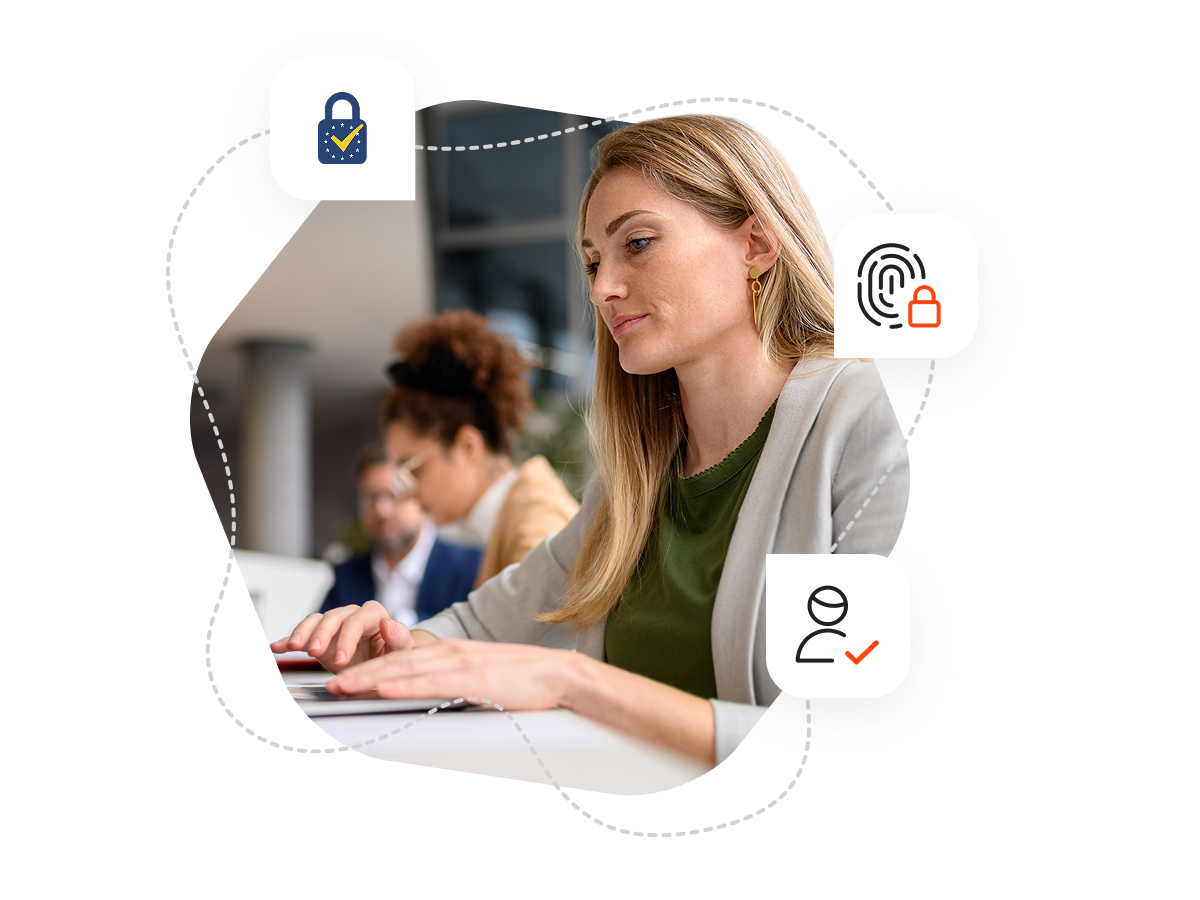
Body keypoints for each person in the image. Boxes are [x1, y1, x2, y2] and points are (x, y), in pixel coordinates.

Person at [272, 113, 910, 767]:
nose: (603, 289)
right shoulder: (635, 484)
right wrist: (388, 640)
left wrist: (571, 682)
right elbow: (479, 629)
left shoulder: (869, 422)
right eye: (592, 260)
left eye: (637, 242)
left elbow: (844, 736)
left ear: (758, 242)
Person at [380, 311, 580, 588]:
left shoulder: (536, 520)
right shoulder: (509, 518)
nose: (408, 491)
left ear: (466, 446)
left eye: (412, 468)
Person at [318, 441, 482, 627]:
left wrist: (401, 622)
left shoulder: (472, 567)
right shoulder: (346, 575)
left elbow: (475, 632)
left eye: (394, 495)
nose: (381, 510)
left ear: (420, 494)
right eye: (371, 497)